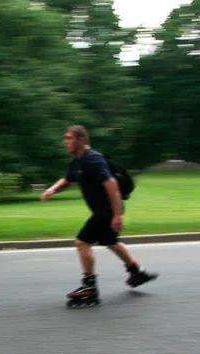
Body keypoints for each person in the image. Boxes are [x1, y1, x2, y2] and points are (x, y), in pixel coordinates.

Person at [41, 125, 157, 306]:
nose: (65, 142)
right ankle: (136, 272)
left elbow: (112, 184)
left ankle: (89, 288)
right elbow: (68, 179)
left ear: (81, 140)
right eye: (65, 138)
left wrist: (117, 215)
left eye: (69, 138)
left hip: (108, 210)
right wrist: (52, 189)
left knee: (82, 242)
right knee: (111, 241)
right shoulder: (77, 161)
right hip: (105, 210)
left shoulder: (93, 160)